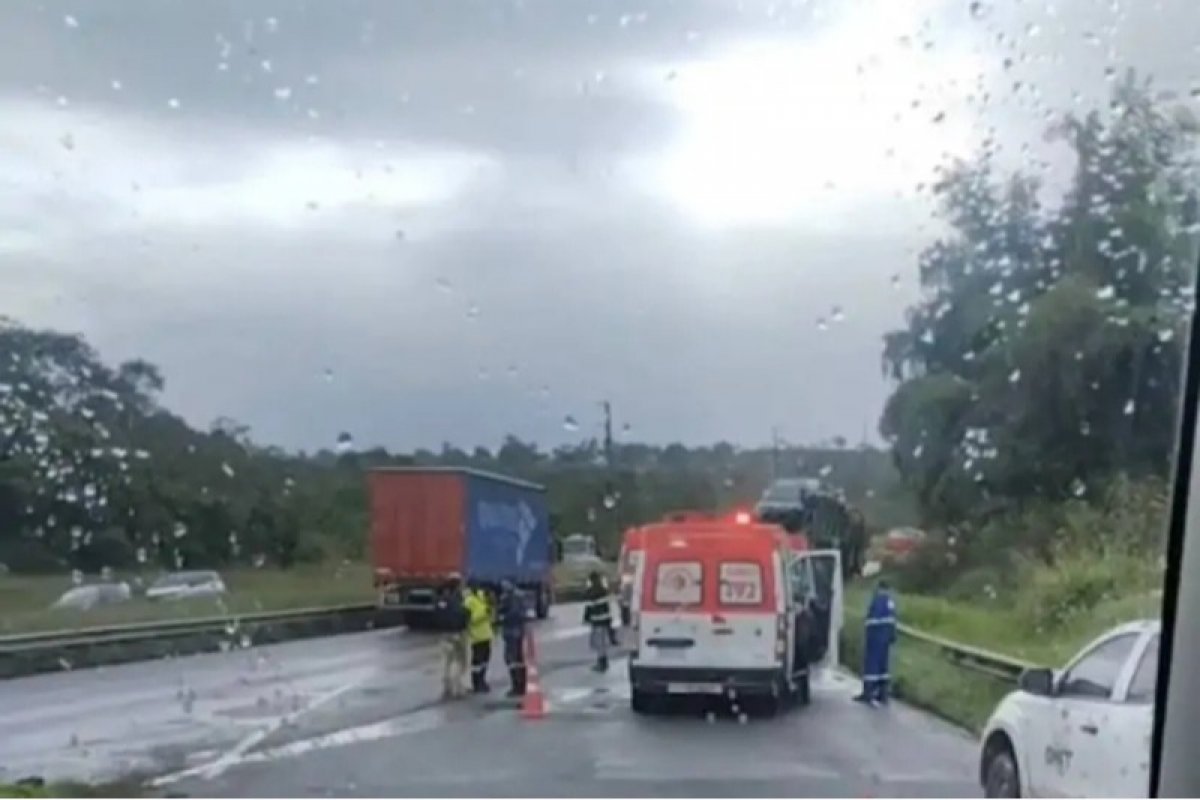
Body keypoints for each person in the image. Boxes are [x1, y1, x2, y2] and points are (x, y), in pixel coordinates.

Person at [854, 579, 897, 707]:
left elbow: (872, 620)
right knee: (883, 666)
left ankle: (868, 693)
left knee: (871, 666)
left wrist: (867, 635)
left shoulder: (877, 601)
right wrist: (891, 636)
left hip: (875, 638)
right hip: (886, 638)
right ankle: (883, 694)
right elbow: (892, 620)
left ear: (879, 588)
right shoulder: (890, 602)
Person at [435, 574, 470, 700]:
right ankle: (458, 687)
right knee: (460, 661)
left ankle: (447, 687)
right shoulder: (458, 599)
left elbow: (437, 614)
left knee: (446, 662)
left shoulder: (441, 599)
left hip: (444, 633)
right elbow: (461, 613)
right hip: (457, 633)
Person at [497, 580, 528, 697]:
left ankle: (517, 686)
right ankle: (521, 684)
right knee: (519, 658)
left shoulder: (510, 598)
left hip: (511, 631)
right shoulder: (520, 596)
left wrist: (501, 617)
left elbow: (513, 614)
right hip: (518, 630)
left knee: (511, 659)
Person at [464, 582, 494, 693]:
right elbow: (469, 620)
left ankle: (482, 680)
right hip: (476, 636)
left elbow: (489, 611)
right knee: (477, 661)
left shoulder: (482, 597)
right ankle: (477, 683)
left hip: (486, 634)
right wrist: (484, 613)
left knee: (485, 660)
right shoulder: (468, 601)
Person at [583, 570, 614, 672]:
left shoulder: (591, 593)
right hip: (605, 620)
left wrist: (586, 619)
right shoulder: (604, 591)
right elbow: (607, 607)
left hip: (596, 621)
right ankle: (604, 662)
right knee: (602, 642)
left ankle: (601, 663)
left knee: (598, 643)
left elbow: (589, 608)